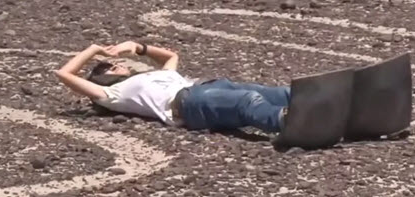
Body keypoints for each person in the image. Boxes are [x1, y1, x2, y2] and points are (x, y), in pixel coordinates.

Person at [55, 41, 289, 133]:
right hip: (188, 104)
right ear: (100, 79)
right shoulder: (110, 95)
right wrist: (95, 50)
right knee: (247, 101)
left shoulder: (152, 76)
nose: (116, 65)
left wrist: (139, 47)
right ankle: (287, 122)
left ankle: (311, 100)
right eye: (110, 68)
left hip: (208, 88)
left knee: (269, 93)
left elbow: (171, 56)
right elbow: (64, 73)